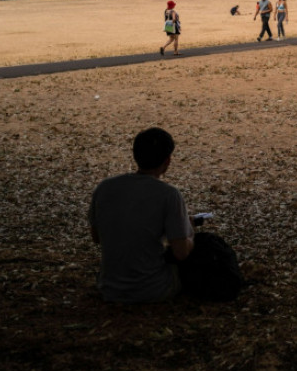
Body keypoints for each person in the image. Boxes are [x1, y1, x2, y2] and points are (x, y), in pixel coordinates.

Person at [88, 128, 243, 303]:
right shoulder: (168, 195)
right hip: (153, 289)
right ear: (168, 161)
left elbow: (97, 237)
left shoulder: (105, 187)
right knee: (209, 245)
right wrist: (189, 230)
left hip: (109, 288)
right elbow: (181, 253)